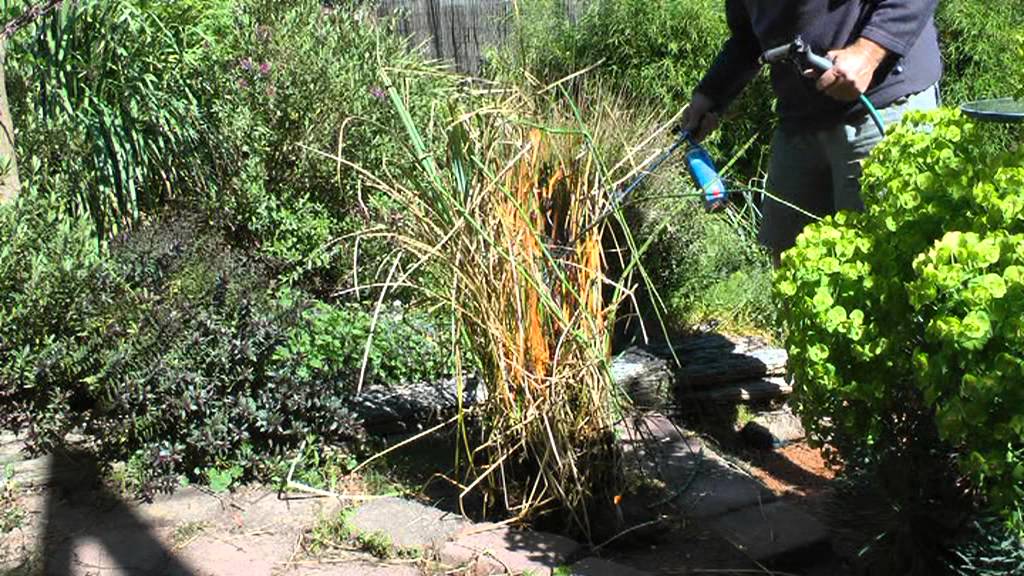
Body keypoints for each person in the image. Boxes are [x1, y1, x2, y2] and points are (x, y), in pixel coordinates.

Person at [680, 0, 942, 264]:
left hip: (881, 102)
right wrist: (711, 94)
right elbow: (749, 38)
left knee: (885, 263)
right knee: (790, 263)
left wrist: (868, 52)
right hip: (799, 121)